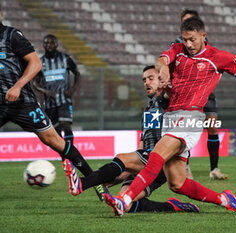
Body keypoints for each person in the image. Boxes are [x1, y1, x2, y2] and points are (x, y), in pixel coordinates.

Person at [104, 17, 236, 216]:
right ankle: (225, 199)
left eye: (192, 40)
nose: (188, 44)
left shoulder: (218, 57)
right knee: (177, 183)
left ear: (203, 36)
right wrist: (163, 71)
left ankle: (124, 200)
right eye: (185, 39)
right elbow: (161, 60)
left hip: (191, 117)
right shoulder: (178, 49)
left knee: (156, 156)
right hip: (171, 118)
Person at [0, 7, 107, 202]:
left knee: (56, 140)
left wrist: (17, 86)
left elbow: (35, 64)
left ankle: (97, 184)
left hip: (23, 102)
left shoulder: (11, 35)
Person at [62, 65, 199, 213]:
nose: (147, 82)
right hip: (149, 161)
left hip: (164, 158)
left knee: (121, 159)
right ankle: (174, 206)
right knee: (125, 201)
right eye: (144, 80)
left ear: (161, 80)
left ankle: (82, 184)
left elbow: (174, 94)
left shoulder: (169, 100)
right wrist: (125, 172)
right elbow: (143, 142)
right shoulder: (149, 108)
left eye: (151, 78)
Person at [173, 9, 227, 180]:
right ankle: (186, 167)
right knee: (186, 130)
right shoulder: (177, 45)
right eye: (184, 22)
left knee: (212, 128)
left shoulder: (206, 44)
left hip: (207, 94)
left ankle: (214, 169)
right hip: (187, 96)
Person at [32, 34, 80, 145]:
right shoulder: (41, 62)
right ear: (43, 45)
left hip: (64, 99)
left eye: (52, 42)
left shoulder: (65, 59)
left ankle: (69, 155)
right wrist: (45, 91)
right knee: (56, 129)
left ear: (56, 44)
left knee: (66, 125)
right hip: (50, 102)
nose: (49, 45)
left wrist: (73, 88)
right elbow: (34, 82)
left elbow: (77, 73)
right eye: (47, 43)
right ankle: (65, 156)